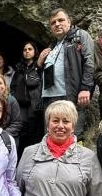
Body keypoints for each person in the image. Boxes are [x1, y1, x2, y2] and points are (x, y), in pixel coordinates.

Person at [37, 8, 94, 139]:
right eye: (53, 22)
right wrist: (39, 64)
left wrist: (85, 88)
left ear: (69, 22)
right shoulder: (51, 46)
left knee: (72, 136)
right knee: (50, 137)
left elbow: (90, 63)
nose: (57, 24)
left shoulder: (80, 36)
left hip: (70, 96)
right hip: (49, 98)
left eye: (61, 20)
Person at [13, 41, 44, 152]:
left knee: (34, 134)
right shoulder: (19, 69)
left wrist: (36, 68)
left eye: (30, 49)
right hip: (20, 106)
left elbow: (35, 84)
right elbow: (13, 86)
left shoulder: (40, 66)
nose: (27, 51)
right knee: (21, 134)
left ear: (35, 51)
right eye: (25, 50)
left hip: (34, 106)